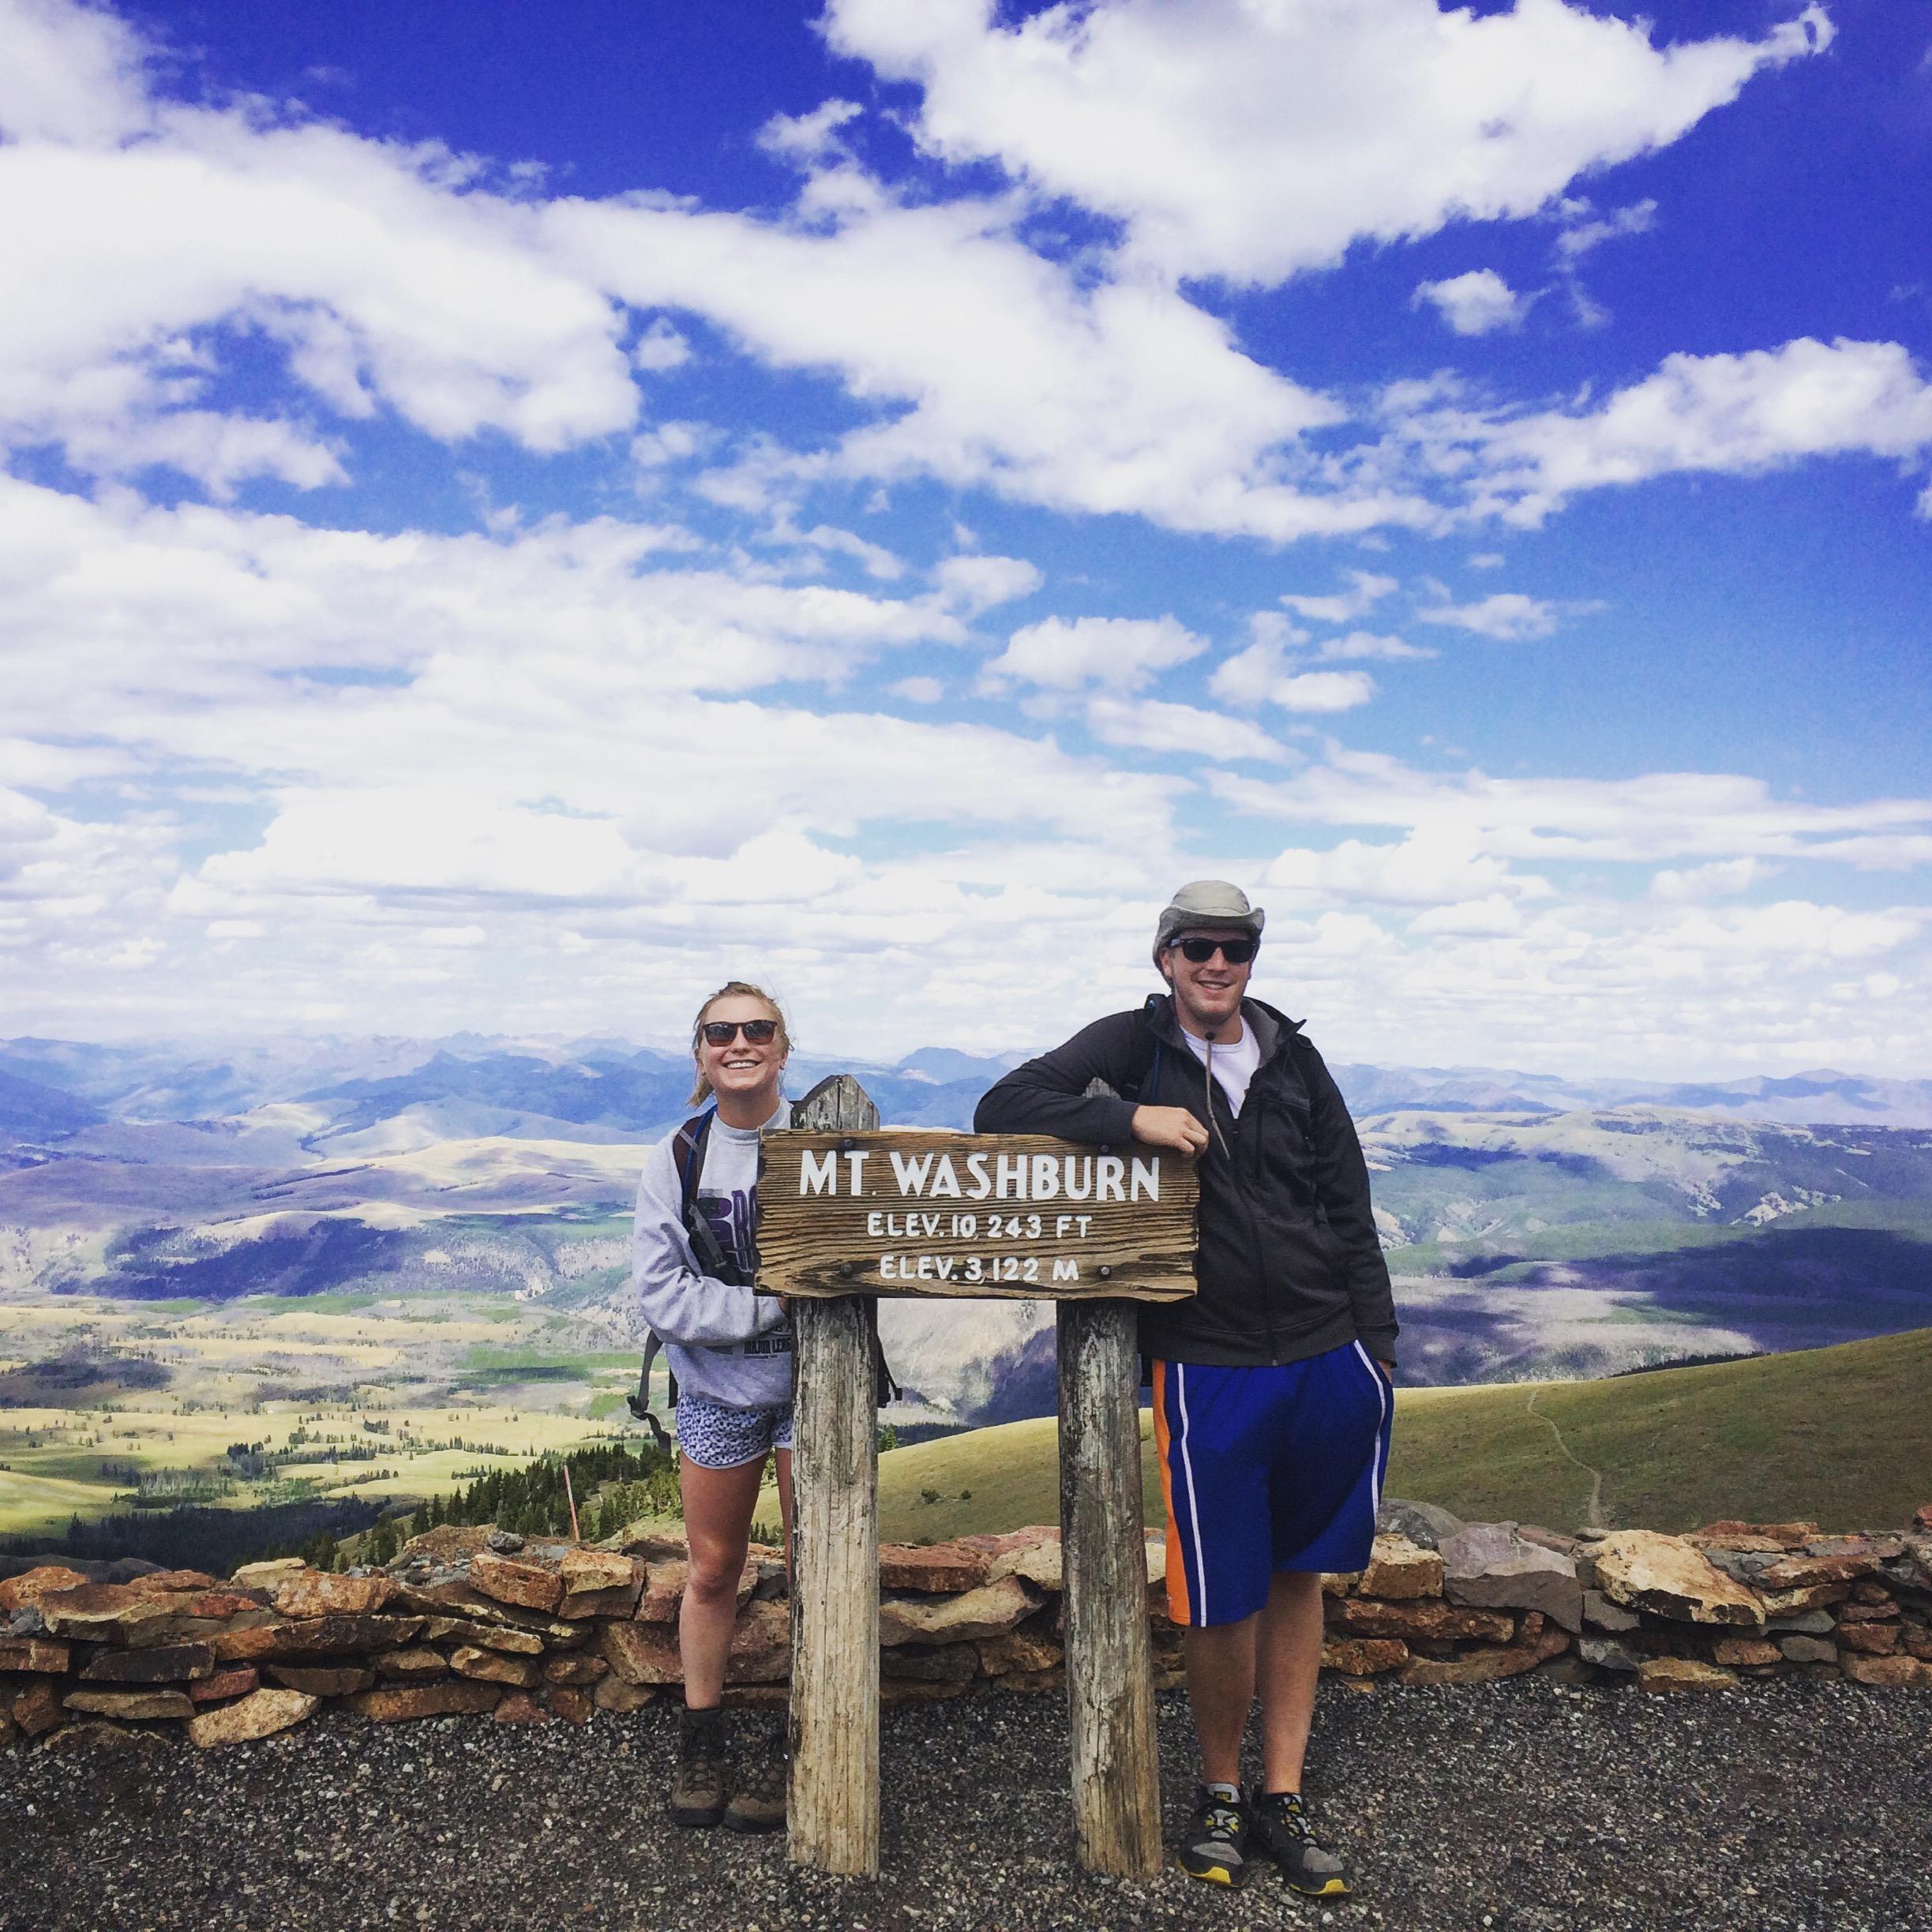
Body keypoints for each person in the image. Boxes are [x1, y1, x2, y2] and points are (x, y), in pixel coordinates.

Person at [974, 880, 1397, 1897]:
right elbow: (1003, 1105)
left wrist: (1375, 1353)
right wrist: (1130, 1116)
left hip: (1326, 1351)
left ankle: (1281, 1793)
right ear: (1164, 956)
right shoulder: (1133, 1040)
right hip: (1205, 1360)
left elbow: (1348, 1206)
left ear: (1252, 957)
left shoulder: (1293, 1055)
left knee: (1298, 1575)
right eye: (1197, 946)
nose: (1217, 963)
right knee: (1218, 1592)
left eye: (1234, 947)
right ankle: (1219, 1787)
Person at [631, 979, 796, 1834]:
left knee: (821, 1567)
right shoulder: (678, 1155)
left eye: (756, 1027)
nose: (740, 1042)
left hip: (817, 1393)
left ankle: (814, 1736)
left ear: (782, 1045)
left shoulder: (823, 1142)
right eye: (720, 1030)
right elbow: (660, 1293)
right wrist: (771, 1304)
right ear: (700, 1051)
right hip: (713, 1391)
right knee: (711, 1569)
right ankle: (702, 1737)